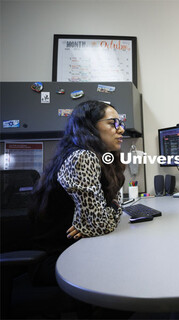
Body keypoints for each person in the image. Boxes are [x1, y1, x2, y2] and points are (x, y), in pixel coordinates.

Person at [29, 100, 126, 286]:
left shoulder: (104, 158)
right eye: (112, 123)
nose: (120, 129)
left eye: (120, 123)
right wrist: (104, 214)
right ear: (89, 127)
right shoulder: (82, 157)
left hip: (81, 247)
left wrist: (105, 213)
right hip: (58, 257)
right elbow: (99, 224)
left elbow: (106, 215)